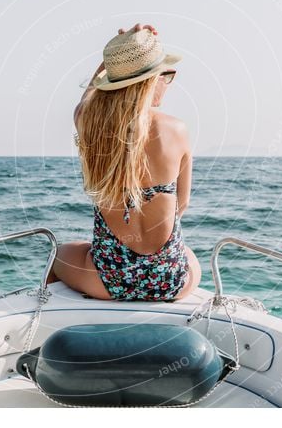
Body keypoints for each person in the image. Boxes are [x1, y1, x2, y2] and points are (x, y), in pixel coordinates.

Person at [48, 23, 202, 301]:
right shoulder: (177, 129)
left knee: (57, 253)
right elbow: (183, 203)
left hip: (107, 283)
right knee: (190, 256)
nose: (167, 84)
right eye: (165, 75)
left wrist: (118, 55)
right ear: (151, 80)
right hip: (170, 283)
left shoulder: (91, 125)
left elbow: (88, 99)